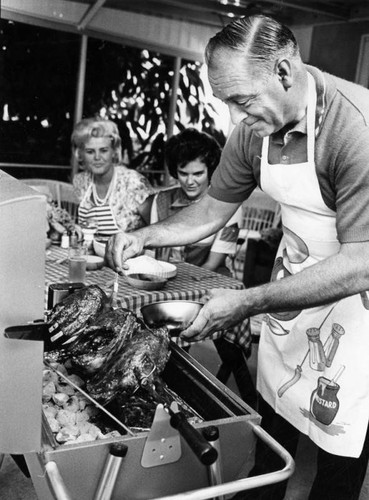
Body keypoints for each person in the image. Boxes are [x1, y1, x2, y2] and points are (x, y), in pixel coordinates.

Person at [106, 14, 369, 500]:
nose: (234, 118)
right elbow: (211, 206)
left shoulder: (356, 128)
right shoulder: (254, 127)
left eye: (241, 100)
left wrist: (248, 301)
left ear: (285, 72)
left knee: (337, 464)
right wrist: (148, 233)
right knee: (270, 442)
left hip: (358, 319)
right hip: (290, 305)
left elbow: (360, 263)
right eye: (225, 101)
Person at [140, 128, 257, 407]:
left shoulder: (229, 206)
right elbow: (151, 252)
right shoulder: (161, 201)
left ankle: (246, 403)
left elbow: (212, 264)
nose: (190, 181)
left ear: (211, 171)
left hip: (212, 284)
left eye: (198, 173)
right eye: (183, 173)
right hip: (168, 285)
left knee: (230, 354)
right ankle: (167, 398)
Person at [72, 117, 154, 239]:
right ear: (80, 154)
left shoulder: (132, 182)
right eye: (90, 152)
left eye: (104, 150)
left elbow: (155, 226)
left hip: (130, 256)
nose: (97, 157)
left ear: (114, 151)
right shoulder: (81, 181)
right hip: (90, 256)